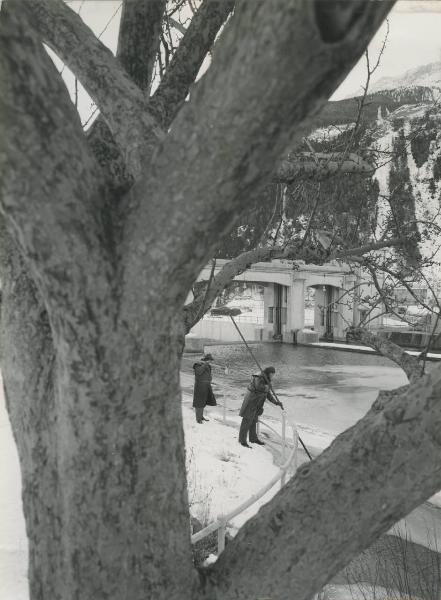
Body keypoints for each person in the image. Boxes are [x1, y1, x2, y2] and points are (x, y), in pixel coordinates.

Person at [239, 366, 284, 448]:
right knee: (246, 421)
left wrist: (276, 402)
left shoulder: (267, 379)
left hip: (257, 404)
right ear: (268, 373)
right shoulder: (259, 377)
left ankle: (253, 438)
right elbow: (259, 387)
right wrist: (268, 386)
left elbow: (268, 394)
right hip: (251, 402)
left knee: (253, 421)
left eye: (273, 374)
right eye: (272, 374)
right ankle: (242, 441)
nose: (272, 376)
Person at [192, 353, 217, 424]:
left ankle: (201, 416)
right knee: (199, 403)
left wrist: (210, 379)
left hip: (206, 385)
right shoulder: (197, 364)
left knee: (203, 402)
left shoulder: (208, 366)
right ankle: (198, 419)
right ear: (206, 360)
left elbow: (208, 374)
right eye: (210, 360)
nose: (210, 362)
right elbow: (199, 372)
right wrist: (205, 364)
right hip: (200, 386)